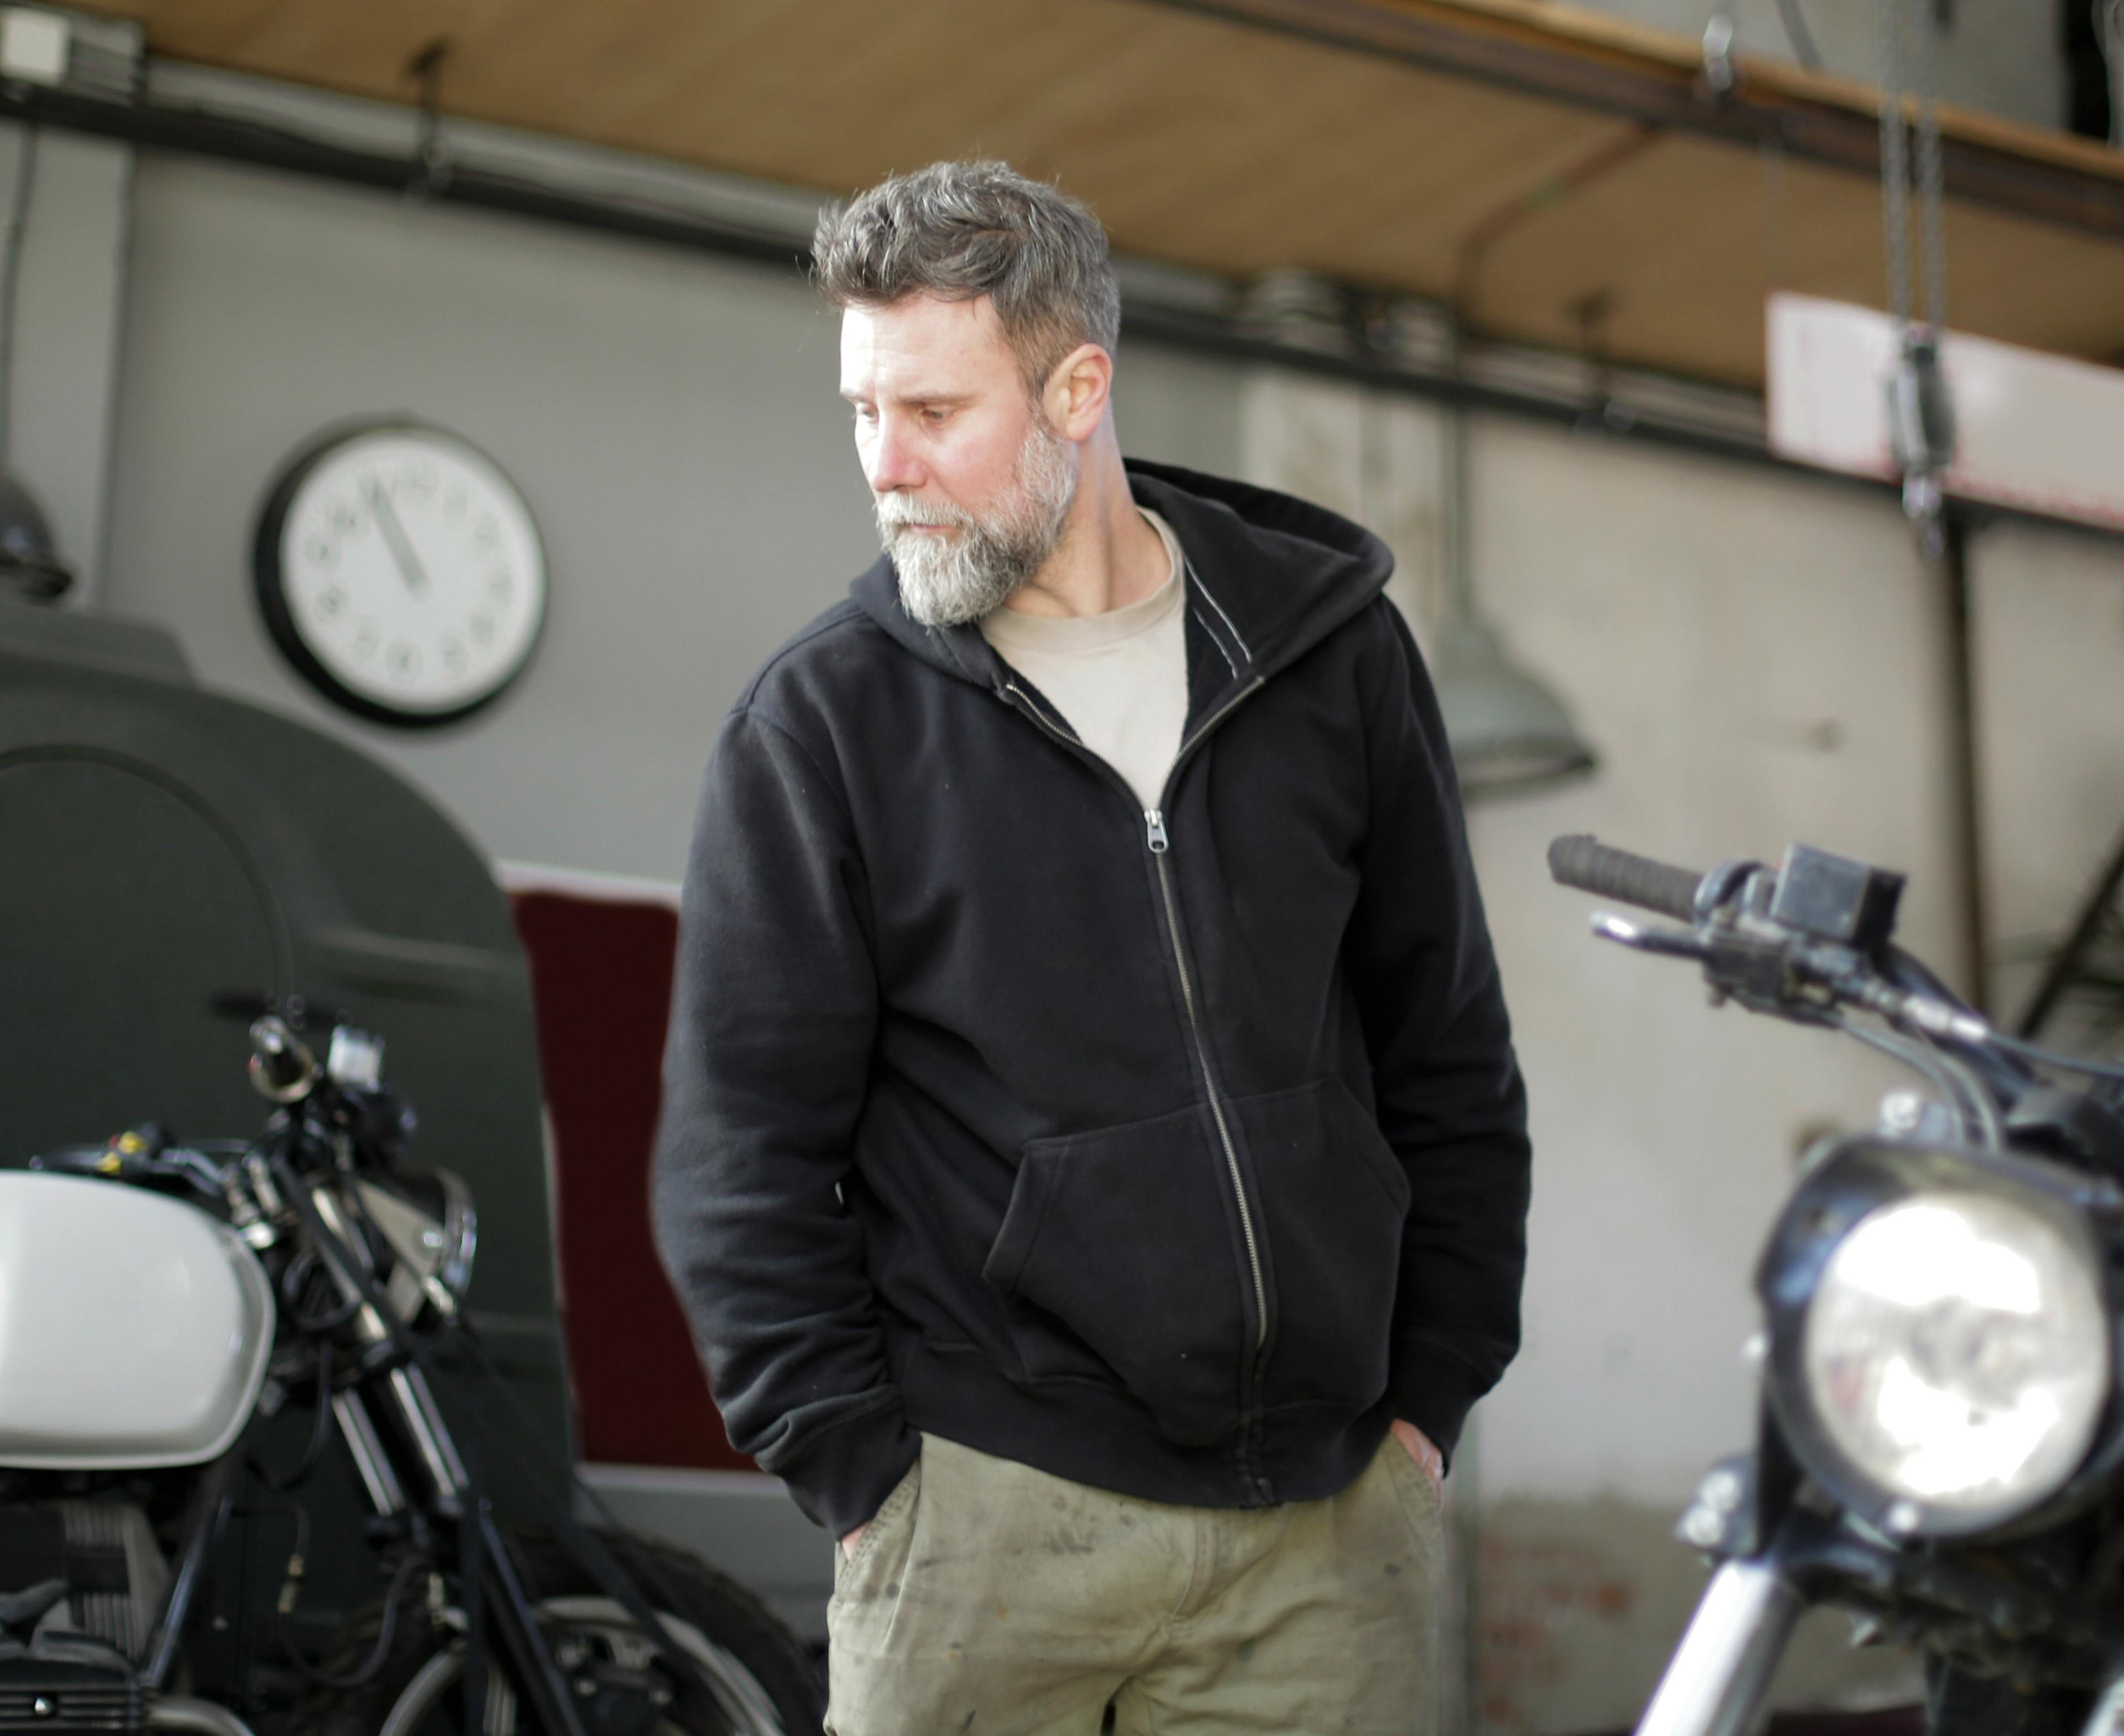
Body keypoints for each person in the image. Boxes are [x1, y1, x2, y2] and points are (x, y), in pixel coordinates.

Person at [654, 159, 1529, 1735]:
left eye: (933, 412)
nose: (885, 465)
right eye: (863, 412)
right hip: (984, 1513)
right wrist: (864, 1482)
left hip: (1328, 1528)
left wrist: (1432, 1398)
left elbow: (1446, 1048)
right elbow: (742, 1154)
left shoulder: (1329, 662)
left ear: (1077, 389)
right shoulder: (826, 726)